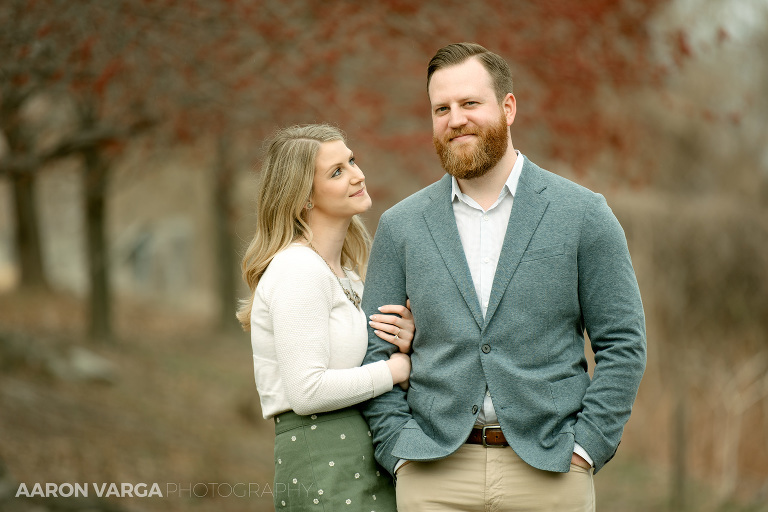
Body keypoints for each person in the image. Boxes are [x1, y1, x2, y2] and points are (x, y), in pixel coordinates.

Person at [360, 43, 647, 511]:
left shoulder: (583, 214)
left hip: (551, 473)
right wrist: (399, 450)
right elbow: (375, 351)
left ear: (508, 107)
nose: (455, 120)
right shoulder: (400, 226)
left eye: (470, 103)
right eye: (441, 109)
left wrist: (587, 447)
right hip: (432, 475)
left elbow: (623, 343)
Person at [237, 124, 413, 511]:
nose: (357, 175)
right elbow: (307, 392)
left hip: (363, 454)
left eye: (351, 161)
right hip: (322, 456)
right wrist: (393, 370)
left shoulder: (346, 274)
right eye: (336, 172)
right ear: (303, 197)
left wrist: (402, 341)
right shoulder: (297, 269)